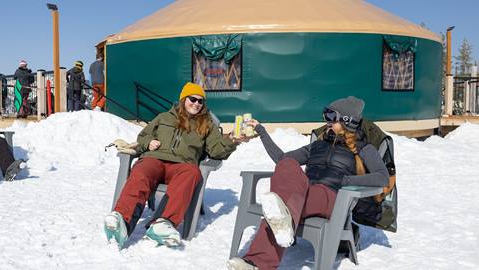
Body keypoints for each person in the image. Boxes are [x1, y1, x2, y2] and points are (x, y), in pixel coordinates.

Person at [227, 96, 389, 270]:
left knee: (282, 207)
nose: (326, 121)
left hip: (332, 198)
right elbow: (282, 159)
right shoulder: (318, 145)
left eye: (331, 117)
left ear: (347, 121)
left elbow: (382, 177)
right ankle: (259, 259)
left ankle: (258, 262)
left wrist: (346, 181)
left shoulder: (364, 148)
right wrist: (261, 132)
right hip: (306, 193)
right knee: (287, 168)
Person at [104, 82, 239, 249]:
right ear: (183, 99)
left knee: (193, 172)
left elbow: (217, 151)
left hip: (183, 164)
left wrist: (233, 140)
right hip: (155, 159)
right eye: (192, 99)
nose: (196, 103)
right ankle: (121, 221)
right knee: (141, 171)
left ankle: (163, 223)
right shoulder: (163, 117)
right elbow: (143, 136)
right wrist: (148, 142)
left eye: (200, 101)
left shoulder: (207, 125)